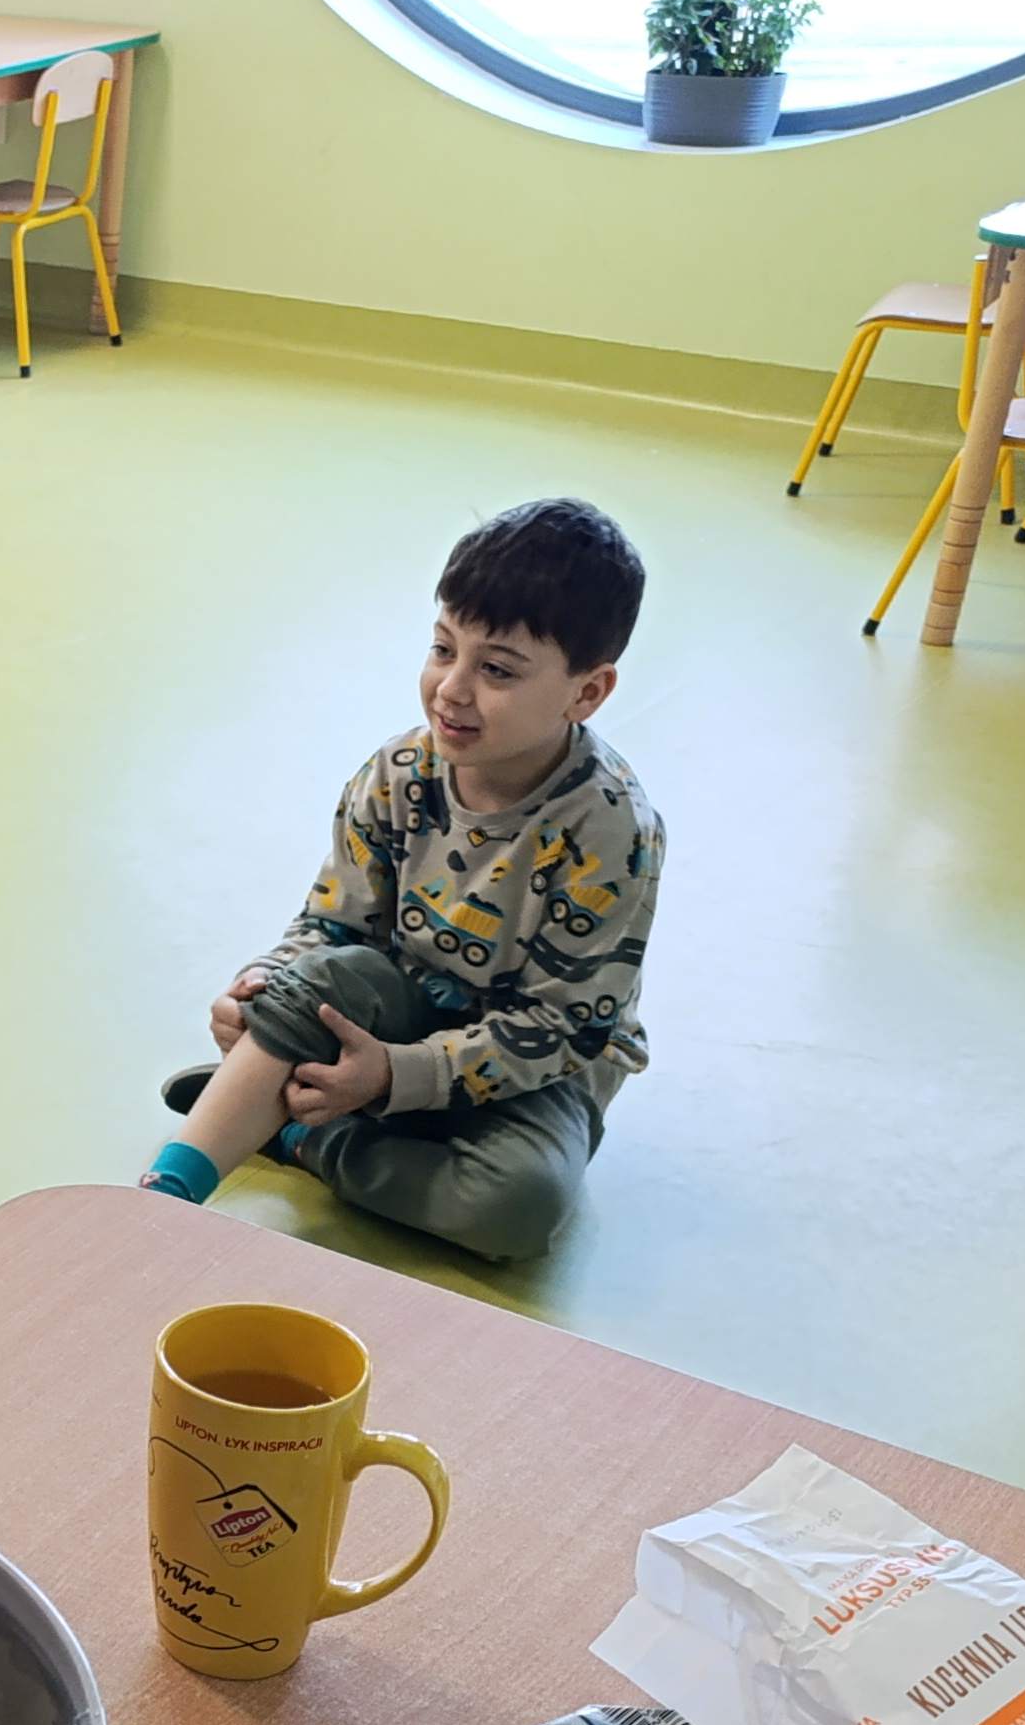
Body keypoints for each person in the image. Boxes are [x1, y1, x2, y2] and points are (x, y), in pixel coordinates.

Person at [142, 498, 662, 1261]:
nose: (452, 688)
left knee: (519, 1205)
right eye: (443, 648)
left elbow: (564, 1028)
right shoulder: (399, 772)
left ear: (587, 692)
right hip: (401, 1004)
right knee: (305, 987)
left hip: (537, 1070)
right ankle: (166, 1192)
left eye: (497, 669)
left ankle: (299, 1133)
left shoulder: (612, 832)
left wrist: (395, 1076)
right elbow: (331, 928)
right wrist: (263, 984)